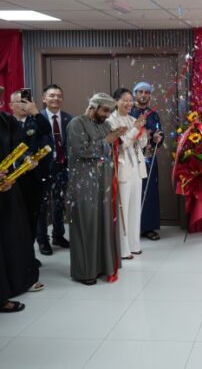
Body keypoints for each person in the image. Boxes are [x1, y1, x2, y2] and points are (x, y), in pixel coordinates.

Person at [67, 93, 126, 285]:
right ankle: (85, 272)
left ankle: (103, 267)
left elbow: (110, 148)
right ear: (93, 107)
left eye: (110, 111)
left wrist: (117, 136)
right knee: (87, 226)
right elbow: (79, 150)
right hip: (83, 184)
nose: (107, 115)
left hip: (104, 182)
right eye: (105, 110)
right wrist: (107, 140)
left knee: (104, 224)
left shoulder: (105, 124)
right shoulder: (77, 123)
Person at [0, 85, 40, 311]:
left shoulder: (7, 121)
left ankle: (16, 283)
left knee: (14, 237)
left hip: (8, 186)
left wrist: (26, 160)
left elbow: (19, 147)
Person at [107, 88, 148, 260]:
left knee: (135, 209)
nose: (129, 103)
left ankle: (134, 245)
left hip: (136, 168)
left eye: (131, 100)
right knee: (123, 209)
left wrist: (142, 131)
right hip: (122, 168)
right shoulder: (110, 121)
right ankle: (123, 249)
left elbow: (142, 144)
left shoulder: (132, 119)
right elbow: (120, 145)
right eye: (125, 100)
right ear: (116, 101)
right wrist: (135, 130)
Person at [9, 89, 52, 243]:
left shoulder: (35, 121)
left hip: (33, 176)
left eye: (26, 101)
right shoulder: (6, 122)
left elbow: (47, 130)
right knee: (13, 217)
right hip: (10, 178)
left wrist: (36, 112)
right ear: (11, 105)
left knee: (32, 215)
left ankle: (30, 249)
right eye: (19, 102)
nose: (23, 105)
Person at [37, 84, 72, 256]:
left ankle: (58, 235)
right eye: (51, 95)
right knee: (42, 207)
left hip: (62, 167)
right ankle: (43, 240)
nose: (55, 98)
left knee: (60, 204)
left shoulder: (69, 119)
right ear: (44, 98)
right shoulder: (37, 118)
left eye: (59, 95)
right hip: (43, 169)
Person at [131, 82, 164, 241]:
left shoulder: (153, 114)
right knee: (131, 191)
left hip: (148, 158)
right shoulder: (128, 111)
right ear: (135, 94)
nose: (143, 95)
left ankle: (148, 227)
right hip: (130, 158)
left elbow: (159, 132)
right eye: (140, 92)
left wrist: (158, 138)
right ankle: (130, 227)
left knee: (149, 192)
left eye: (147, 92)